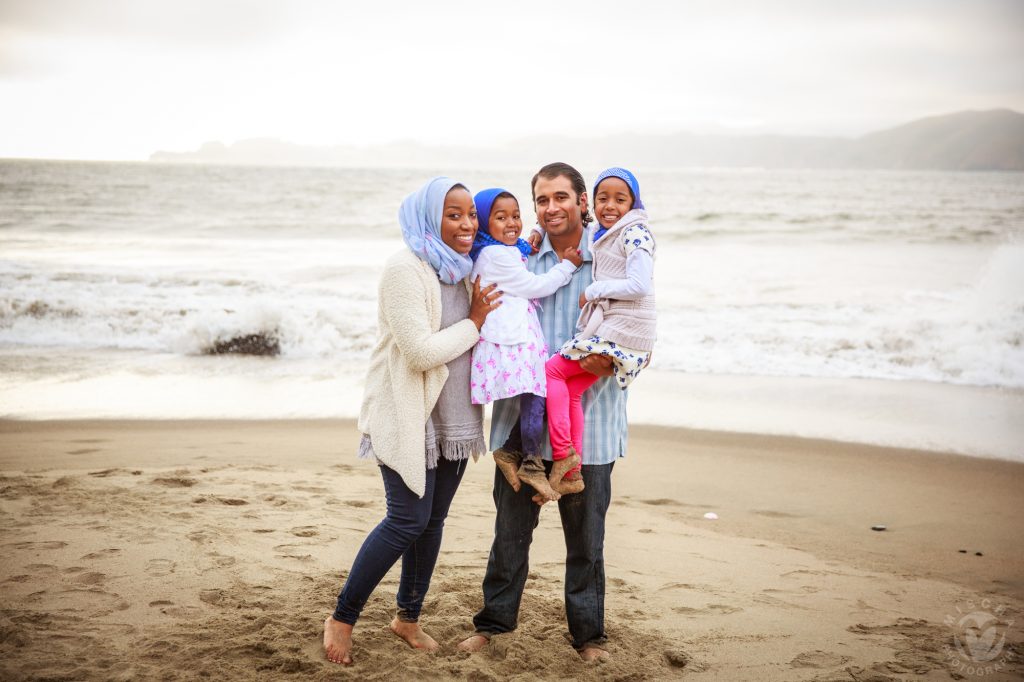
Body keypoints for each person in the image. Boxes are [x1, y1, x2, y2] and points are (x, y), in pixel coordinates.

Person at [323, 177, 501, 666]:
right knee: (406, 520)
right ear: (429, 218)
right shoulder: (405, 268)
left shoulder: (465, 268)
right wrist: (475, 324)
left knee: (433, 522)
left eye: (470, 214)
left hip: (455, 419)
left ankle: (407, 618)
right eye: (453, 214)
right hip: (407, 415)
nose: (467, 224)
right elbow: (420, 352)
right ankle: (342, 616)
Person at [458, 162, 627, 662]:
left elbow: (639, 323)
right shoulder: (516, 258)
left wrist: (614, 359)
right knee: (509, 535)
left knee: (586, 541)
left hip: (590, 423)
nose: (550, 208)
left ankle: (588, 636)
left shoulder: (609, 258)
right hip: (519, 427)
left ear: (581, 201)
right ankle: (493, 624)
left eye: (560, 197)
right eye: (542, 200)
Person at [544, 167, 655, 494]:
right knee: (574, 390)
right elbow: (563, 219)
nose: (610, 206)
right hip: (622, 330)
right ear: (590, 202)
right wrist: (538, 232)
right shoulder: (608, 232)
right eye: (602, 198)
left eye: (620, 199)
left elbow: (639, 285)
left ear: (633, 203)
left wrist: (593, 291)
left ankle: (563, 453)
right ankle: (572, 473)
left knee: (552, 372)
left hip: (621, 331)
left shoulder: (635, 233)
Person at [468, 187, 582, 502]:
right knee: (537, 391)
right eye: (501, 217)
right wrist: (567, 267)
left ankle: (511, 451)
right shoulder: (495, 255)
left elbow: (519, 246)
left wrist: (535, 229)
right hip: (512, 339)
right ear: (482, 222)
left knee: (539, 391)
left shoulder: (497, 248)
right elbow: (535, 285)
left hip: (516, 333)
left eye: (516, 216)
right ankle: (530, 461)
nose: (512, 223)